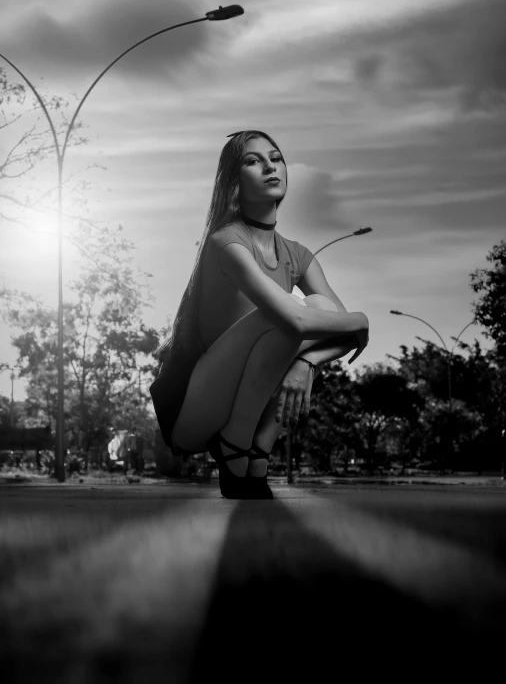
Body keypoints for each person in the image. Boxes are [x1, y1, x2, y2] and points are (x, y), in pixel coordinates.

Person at [150, 130, 369, 499]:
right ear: (234, 180)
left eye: (276, 158)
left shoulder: (297, 254)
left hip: (248, 403)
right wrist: (362, 321)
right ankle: (235, 442)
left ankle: (254, 450)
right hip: (196, 408)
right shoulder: (226, 240)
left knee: (321, 308)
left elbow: (334, 325)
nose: (270, 166)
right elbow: (310, 323)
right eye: (253, 161)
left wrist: (308, 365)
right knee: (290, 313)